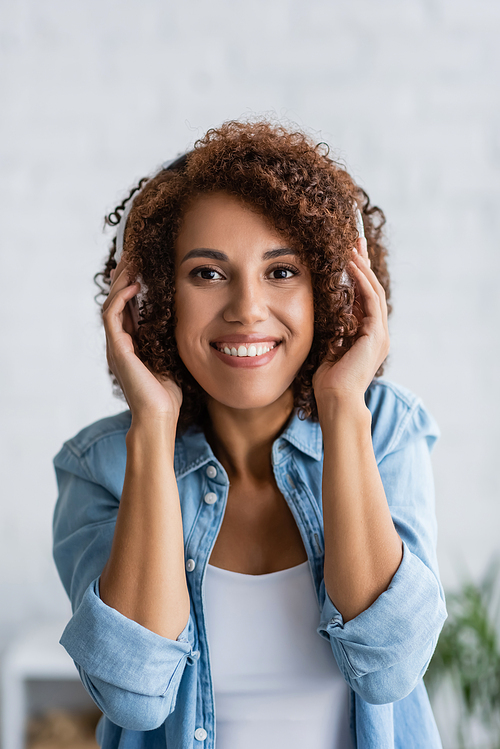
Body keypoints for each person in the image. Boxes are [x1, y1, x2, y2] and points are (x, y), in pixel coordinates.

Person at [53, 119, 447, 749]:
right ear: (156, 298)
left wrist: (344, 402)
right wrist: (152, 427)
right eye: (208, 274)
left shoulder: (387, 429)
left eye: (282, 271)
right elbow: (134, 696)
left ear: (331, 289)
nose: (246, 308)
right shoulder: (98, 466)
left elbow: (389, 668)